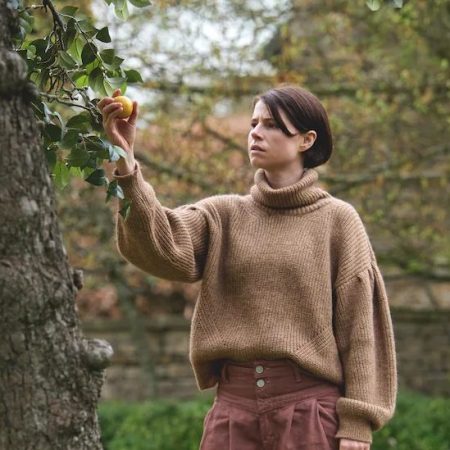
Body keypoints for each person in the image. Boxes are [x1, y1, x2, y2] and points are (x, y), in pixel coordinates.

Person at [97, 85, 397, 450]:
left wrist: (357, 424)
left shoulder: (338, 221)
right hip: (232, 417)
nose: (255, 132)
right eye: (253, 123)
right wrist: (126, 162)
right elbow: (158, 245)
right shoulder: (222, 215)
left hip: (312, 417)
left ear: (306, 139)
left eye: (271, 124)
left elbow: (362, 331)